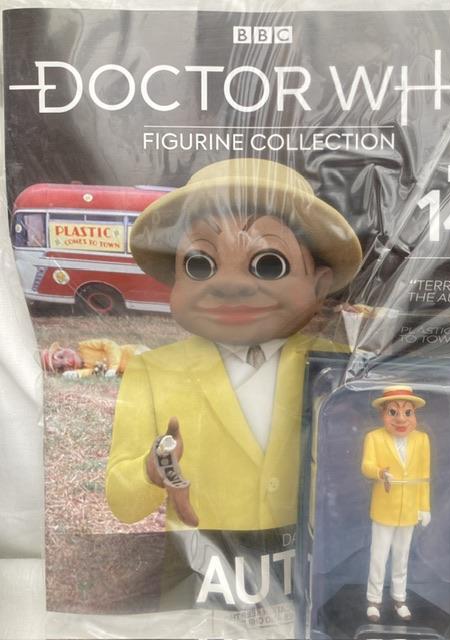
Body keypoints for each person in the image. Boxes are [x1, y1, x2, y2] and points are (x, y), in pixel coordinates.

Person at [105, 158, 363, 532]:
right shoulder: (153, 372)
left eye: (269, 264)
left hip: (309, 558)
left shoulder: (339, 367)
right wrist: (152, 469)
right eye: (199, 265)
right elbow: (122, 503)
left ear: (319, 285)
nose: (229, 285)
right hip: (204, 563)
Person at [361, 385, 431, 623]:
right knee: (378, 556)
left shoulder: (422, 440)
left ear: (414, 415)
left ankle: (399, 598)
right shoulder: (374, 437)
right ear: (383, 414)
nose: (401, 419)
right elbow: (366, 466)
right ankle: (374, 600)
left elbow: (424, 476)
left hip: (409, 510)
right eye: (393, 412)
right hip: (384, 510)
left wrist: (424, 507)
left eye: (407, 412)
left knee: (401, 557)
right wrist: (380, 472)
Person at [41, 339, 149, 378]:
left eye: (61, 356)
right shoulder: (84, 367)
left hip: (135, 354)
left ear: (64, 348)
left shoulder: (84, 346)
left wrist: (113, 367)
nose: (66, 362)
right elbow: (92, 372)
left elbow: (110, 345)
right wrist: (77, 374)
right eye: (61, 368)